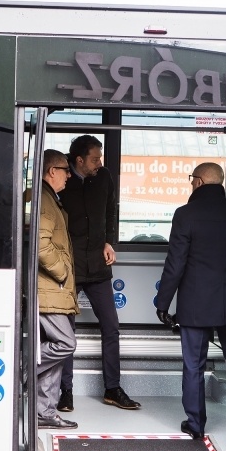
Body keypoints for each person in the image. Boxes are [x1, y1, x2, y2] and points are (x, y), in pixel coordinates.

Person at [154, 162, 226, 439]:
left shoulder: (186, 214)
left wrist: (162, 303)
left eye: (192, 179)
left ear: (199, 182)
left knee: (194, 364)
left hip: (195, 304)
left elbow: (175, 264)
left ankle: (196, 425)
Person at [57, 135, 140, 412]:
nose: (100, 163)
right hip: (69, 267)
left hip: (98, 265)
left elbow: (110, 212)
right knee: (65, 331)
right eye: (95, 159)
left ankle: (112, 389)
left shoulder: (103, 177)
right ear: (79, 160)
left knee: (111, 326)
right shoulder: (62, 179)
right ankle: (65, 391)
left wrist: (109, 242)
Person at [37, 149, 79, 430]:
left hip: (53, 290)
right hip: (49, 289)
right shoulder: (45, 200)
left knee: (56, 356)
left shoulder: (50, 199)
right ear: (52, 171)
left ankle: (45, 412)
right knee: (66, 343)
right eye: (65, 170)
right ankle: (22, 368)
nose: (69, 176)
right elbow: (42, 245)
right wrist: (62, 272)